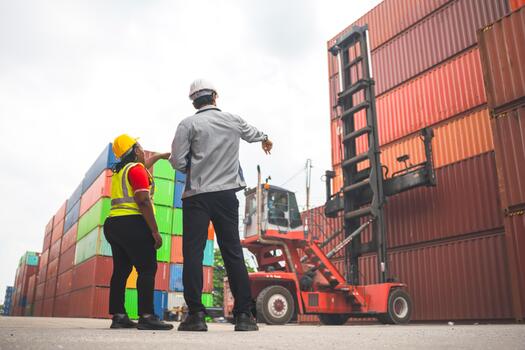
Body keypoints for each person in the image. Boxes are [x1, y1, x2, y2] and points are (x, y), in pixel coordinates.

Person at [170, 79, 273, 332]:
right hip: (227, 195)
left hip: (197, 196)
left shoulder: (187, 124)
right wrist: (266, 139)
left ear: (193, 100)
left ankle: (195, 316)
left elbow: (177, 162)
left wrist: (197, 166)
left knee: (193, 253)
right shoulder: (233, 120)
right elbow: (254, 134)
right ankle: (244, 317)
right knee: (232, 253)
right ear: (215, 96)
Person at [103, 134, 173, 330]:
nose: (143, 150)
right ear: (135, 151)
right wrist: (155, 231)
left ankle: (118, 316)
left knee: (121, 271)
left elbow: (143, 165)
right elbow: (143, 200)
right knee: (147, 269)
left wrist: (159, 156)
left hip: (113, 224)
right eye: (140, 147)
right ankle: (147, 315)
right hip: (133, 224)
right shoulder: (136, 170)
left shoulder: (121, 171)